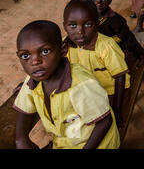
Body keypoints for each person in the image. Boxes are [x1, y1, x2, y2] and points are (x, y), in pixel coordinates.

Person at [14, 20, 120, 149]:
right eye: (25, 55)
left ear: (63, 49)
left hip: (95, 143)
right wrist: (21, 139)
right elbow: (24, 110)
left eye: (45, 51)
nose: (35, 62)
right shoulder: (32, 80)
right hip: (65, 142)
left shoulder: (81, 83)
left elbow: (104, 121)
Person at [63, 0, 130, 126]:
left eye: (88, 24)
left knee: (99, 121)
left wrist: (117, 109)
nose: (80, 31)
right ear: (64, 26)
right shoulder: (64, 46)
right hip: (85, 92)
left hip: (110, 92)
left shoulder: (106, 46)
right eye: (72, 25)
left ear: (97, 24)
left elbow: (120, 77)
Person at [84, 0, 144, 69]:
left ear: (110, 0)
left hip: (112, 53)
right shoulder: (81, 18)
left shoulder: (116, 20)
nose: (99, 3)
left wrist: (141, 55)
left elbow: (128, 38)